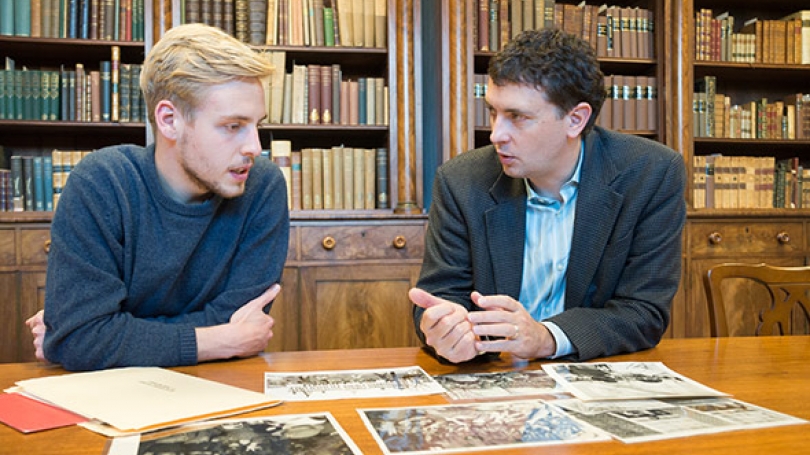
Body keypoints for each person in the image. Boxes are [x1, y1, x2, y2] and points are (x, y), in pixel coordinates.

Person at [410, 29, 686, 363]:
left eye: (517, 117)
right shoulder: (461, 181)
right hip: (494, 379)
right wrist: (443, 329)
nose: (496, 134)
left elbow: (643, 312)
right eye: (493, 112)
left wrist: (546, 338)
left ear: (575, 119)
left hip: (594, 378)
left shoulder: (651, 174)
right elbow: (439, 296)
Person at [24, 23, 289, 371]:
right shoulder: (102, 183)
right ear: (169, 120)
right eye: (232, 126)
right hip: (111, 402)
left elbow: (83, 338)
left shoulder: (262, 186)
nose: (255, 147)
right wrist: (218, 339)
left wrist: (106, 334)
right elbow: (81, 339)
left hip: (222, 389)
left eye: (257, 124)